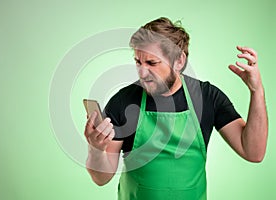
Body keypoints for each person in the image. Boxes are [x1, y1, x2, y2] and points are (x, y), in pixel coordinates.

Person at [84, 17, 268, 200]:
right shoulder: (123, 101)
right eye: (138, 62)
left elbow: (253, 152)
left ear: (179, 61)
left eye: (151, 63)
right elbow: (101, 177)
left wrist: (256, 90)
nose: (142, 72)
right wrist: (96, 148)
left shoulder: (207, 97)